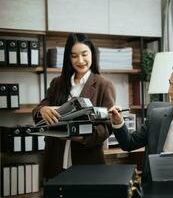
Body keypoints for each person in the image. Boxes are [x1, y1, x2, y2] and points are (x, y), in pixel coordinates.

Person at [32, 33, 116, 180]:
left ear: (92, 54)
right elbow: (39, 109)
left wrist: (82, 136)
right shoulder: (57, 83)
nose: (80, 60)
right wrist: (43, 110)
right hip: (55, 159)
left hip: (87, 160)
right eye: (74, 56)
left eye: (84, 54)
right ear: (68, 58)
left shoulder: (104, 85)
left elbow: (107, 126)